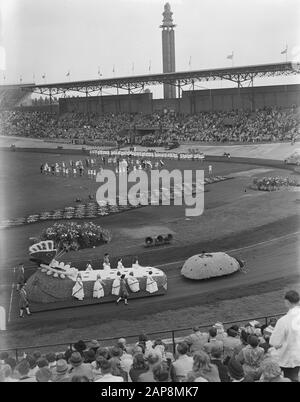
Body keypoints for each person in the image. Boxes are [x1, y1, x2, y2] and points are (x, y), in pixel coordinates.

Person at [269, 290, 300, 382]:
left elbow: (274, 342)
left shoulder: (283, 321)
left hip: (291, 359)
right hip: (294, 357)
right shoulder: (284, 320)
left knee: (291, 378)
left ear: (287, 302)